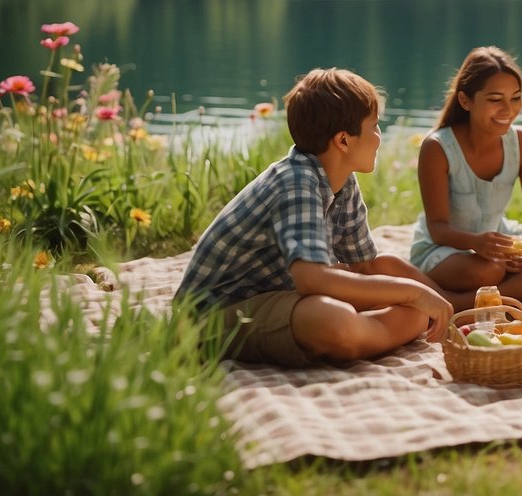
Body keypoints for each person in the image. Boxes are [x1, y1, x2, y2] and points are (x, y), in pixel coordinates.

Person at [174, 68, 453, 368]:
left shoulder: (342, 181)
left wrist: (429, 297)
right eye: (374, 126)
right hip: (210, 316)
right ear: (343, 141)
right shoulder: (296, 182)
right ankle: (354, 336)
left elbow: (366, 264)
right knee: (333, 320)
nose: (379, 137)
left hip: (276, 298)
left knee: (414, 311)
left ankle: (362, 335)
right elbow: (312, 279)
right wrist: (412, 293)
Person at [409, 46, 522, 310]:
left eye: (515, 98)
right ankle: (509, 296)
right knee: (486, 272)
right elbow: (438, 228)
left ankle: (466, 302)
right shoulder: (437, 147)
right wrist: (475, 243)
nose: (508, 110)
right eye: (495, 99)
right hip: (445, 249)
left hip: (496, 248)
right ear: (465, 101)